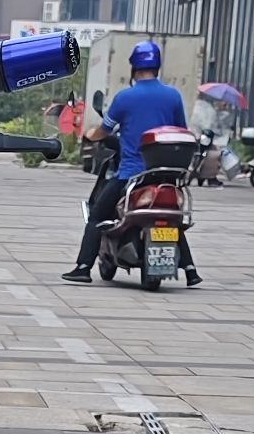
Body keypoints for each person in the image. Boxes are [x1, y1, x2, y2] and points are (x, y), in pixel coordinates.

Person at [67, 41, 198, 280]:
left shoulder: (125, 97)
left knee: (97, 215)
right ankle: (190, 270)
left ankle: (83, 268)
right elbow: (181, 130)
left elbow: (104, 130)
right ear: (157, 66)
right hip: (166, 176)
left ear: (134, 68)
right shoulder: (173, 96)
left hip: (131, 175)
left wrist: (89, 135)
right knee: (169, 217)